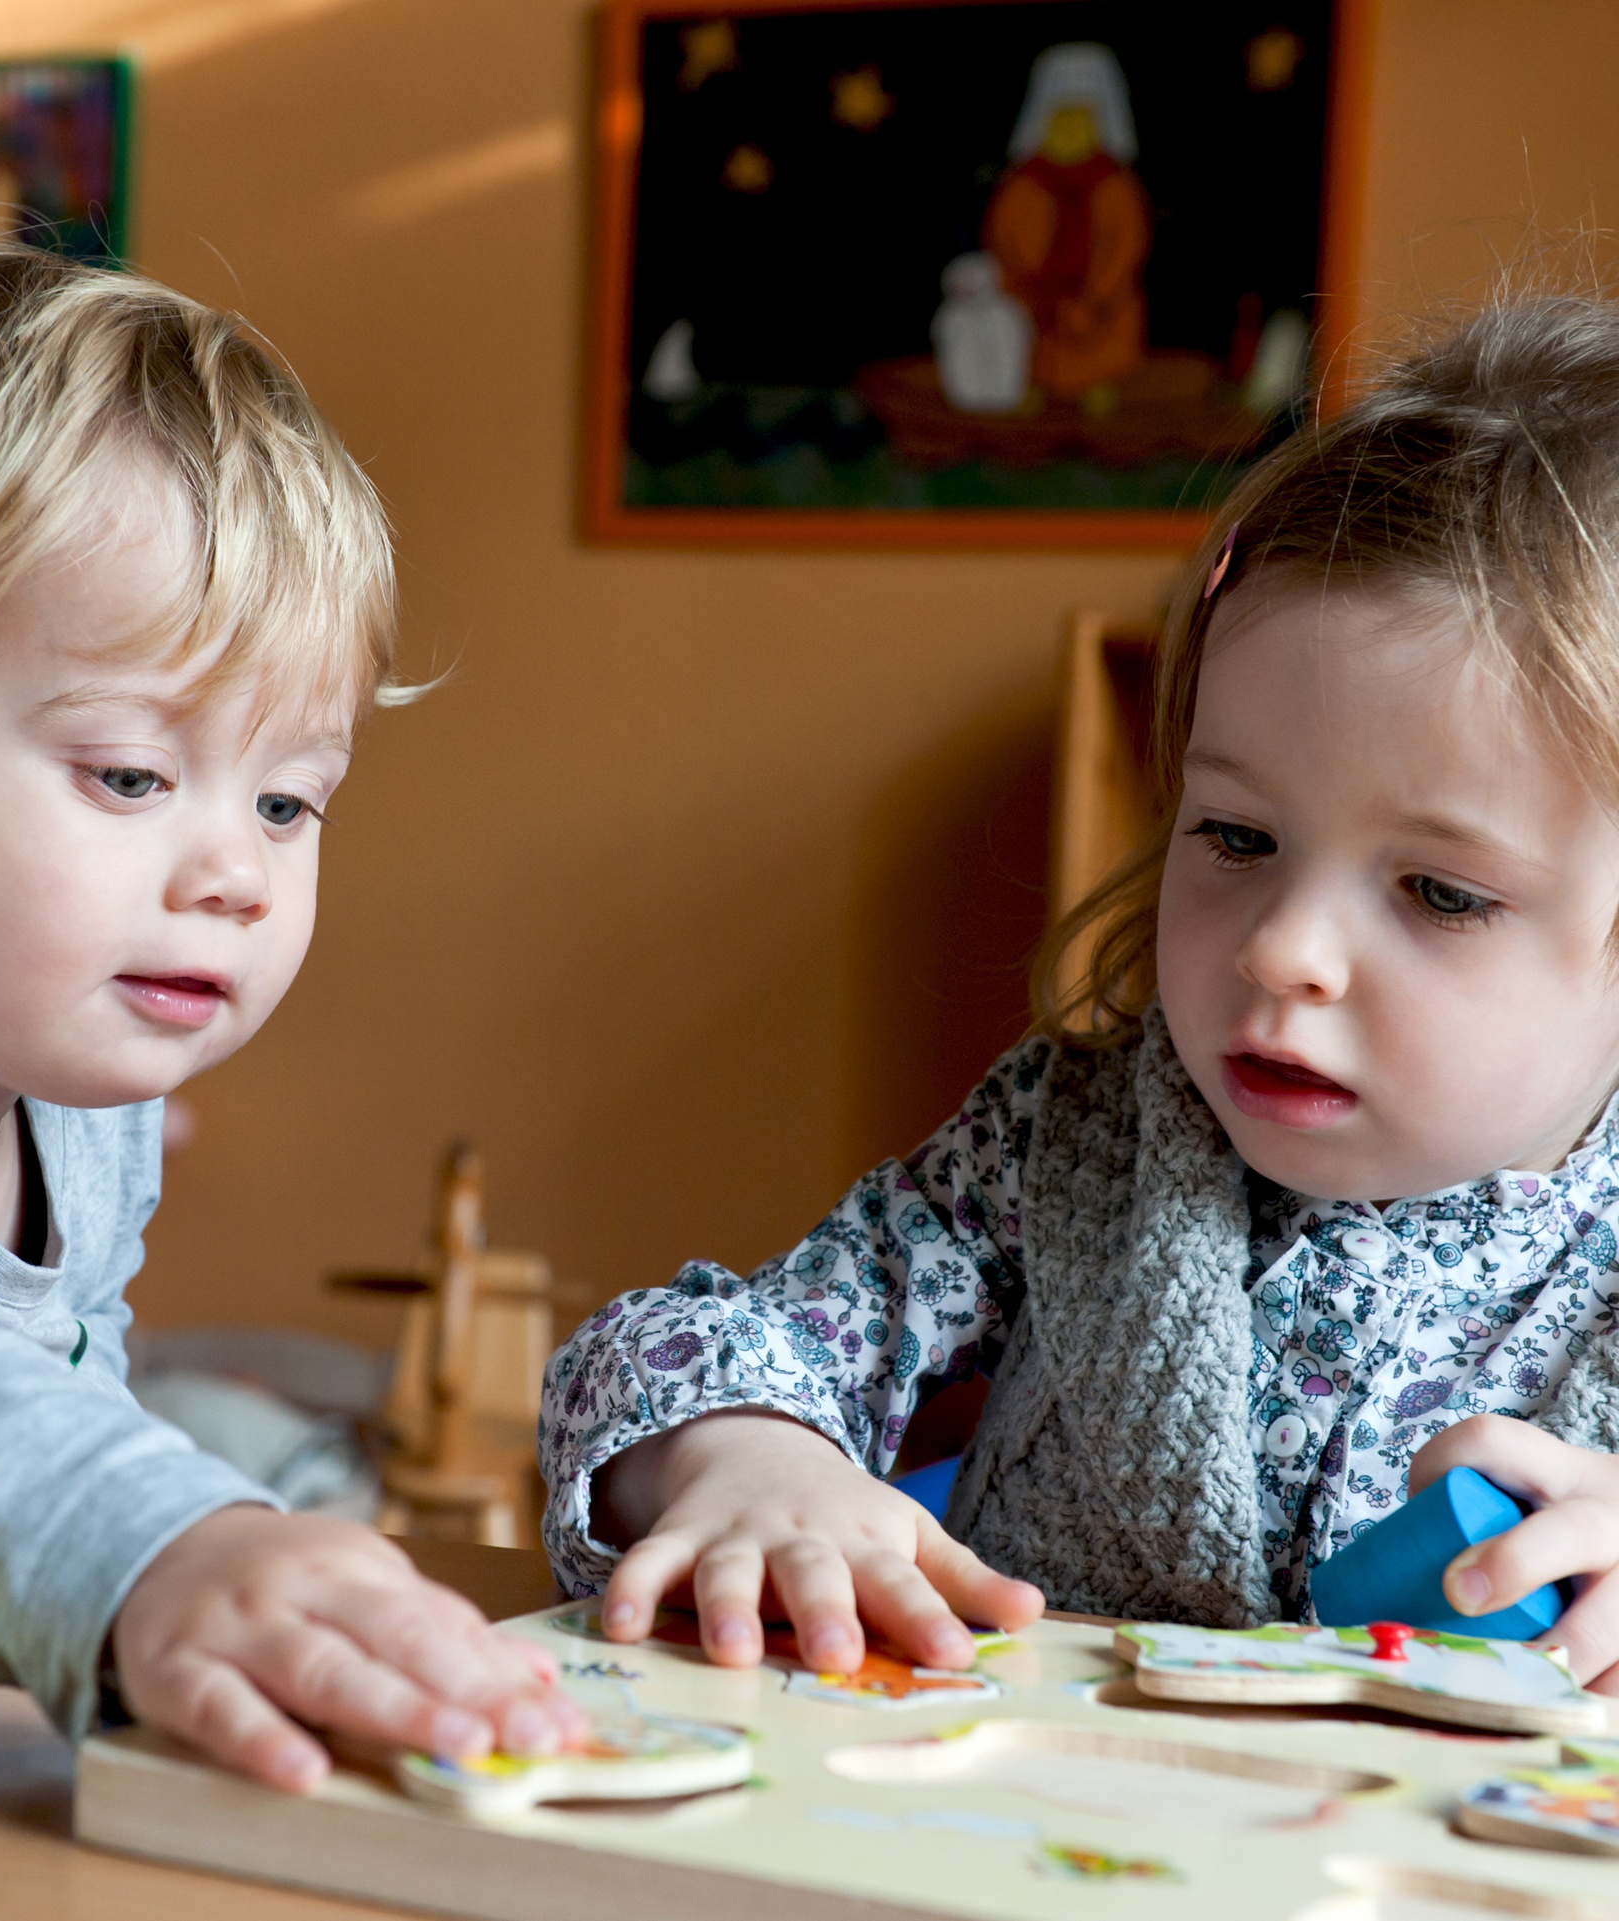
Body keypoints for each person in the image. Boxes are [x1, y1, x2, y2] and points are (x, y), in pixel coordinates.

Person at [542, 296, 1619, 1694]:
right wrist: (743, 1462)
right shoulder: (1067, 1141)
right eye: (1235, 837)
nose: (1283, 949)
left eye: (1440, 892)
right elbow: (688, 1352)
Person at [0, 238, 584, 1792]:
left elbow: (54, 1395)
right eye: (130, 774)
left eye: (293, 798)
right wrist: (148, 1544)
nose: (238, 872)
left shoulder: (83, 1106)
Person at [981, 41, 1150, 409]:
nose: (1071, 129)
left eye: (1082, 118)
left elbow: (1127, 244)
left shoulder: (1116, 186)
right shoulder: (1023, 183)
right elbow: (1004, 239)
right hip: (1035, 298)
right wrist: (1037, 288)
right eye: (1061, 118)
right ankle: (1028, 382)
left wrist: (1095, 296)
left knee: (1115, 320)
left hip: (1097, 302)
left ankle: (1098, 382)